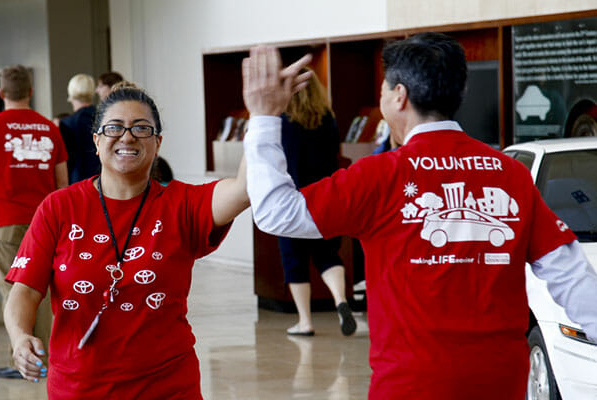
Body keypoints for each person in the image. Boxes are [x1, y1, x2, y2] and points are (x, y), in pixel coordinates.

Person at [241, 37, 597, 399]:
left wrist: (264, 118)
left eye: (381, 92)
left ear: (399, 95)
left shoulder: (378, 177)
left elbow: (276, 213)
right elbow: (573, 277)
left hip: (408, 388)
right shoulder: (510, 175)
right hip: (500, 385)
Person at [2, 81, 280, 398]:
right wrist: (20, 336)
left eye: (141, 128)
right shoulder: (58, 208)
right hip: (79, 387)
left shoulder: (183, 204)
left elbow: (245, 188)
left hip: (167, 386)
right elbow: (24, 291)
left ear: (158, 143)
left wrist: (261, 116)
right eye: (114, 128)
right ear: (96, 141)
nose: (127, 136)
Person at [0, 65, 68, 379]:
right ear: (31, 91)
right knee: (43, 290)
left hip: (8, 220)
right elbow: (62, 181)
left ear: (0, 94)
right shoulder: (50, 128)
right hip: (48, 220)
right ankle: (44, 357)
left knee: (14, 288)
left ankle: (28, 361)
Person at [278, 68, 356, 337]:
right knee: (325, 254)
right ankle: (340, 300)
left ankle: (305, 321)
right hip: (324, 196)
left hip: (291, 197)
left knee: (294, 259)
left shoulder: (283, 120)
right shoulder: (328, 119)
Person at [59, 73, 100, 183]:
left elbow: (66, 162)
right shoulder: (104, 117)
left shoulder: (67, 123)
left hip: (77, 181)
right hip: (103, 180)